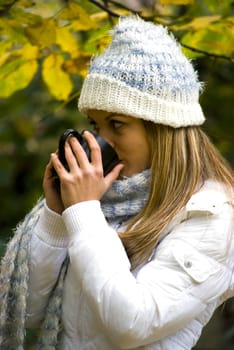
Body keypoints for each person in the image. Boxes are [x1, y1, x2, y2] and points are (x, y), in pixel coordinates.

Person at [0, 16, 233, 350]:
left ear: (163, 128)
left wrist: (83, 211)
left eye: (117, 124)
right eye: (94, 124)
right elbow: (24, 313)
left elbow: (133, 324)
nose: (99, 141)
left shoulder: (211, 215)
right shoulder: (101, 201)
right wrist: (55, 215)